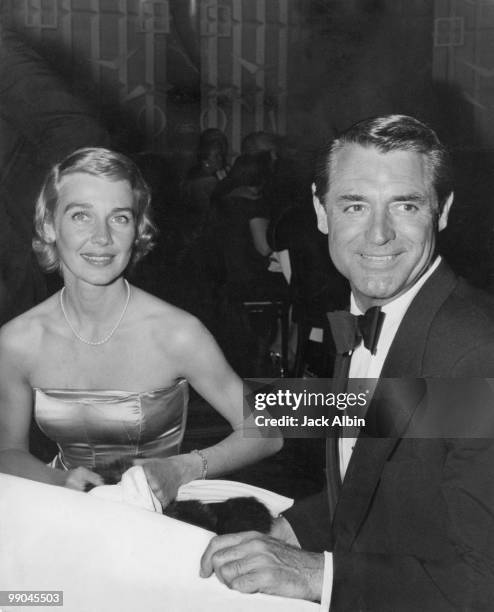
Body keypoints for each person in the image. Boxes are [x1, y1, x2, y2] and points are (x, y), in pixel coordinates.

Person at [200, 115, 494, 610]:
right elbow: (376, 477)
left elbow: (483, 582)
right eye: (355, 205)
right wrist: (293, 528)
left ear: (441, 212)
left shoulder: (475, 354)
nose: (378, 235)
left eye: (405, 204)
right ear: (321, 210)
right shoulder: (369, 316)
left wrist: (317, 574)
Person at [0, 147, 282, 506]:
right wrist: (60, 480)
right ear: (49, 225)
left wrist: (183, 469)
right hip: (62, 507)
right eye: (81, 216)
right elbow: (8, 452)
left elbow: (266, 431)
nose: (102, 237)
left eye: (119, 218)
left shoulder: (177, 332)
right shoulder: (18, 341)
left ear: (138, 230)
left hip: (159, 514)